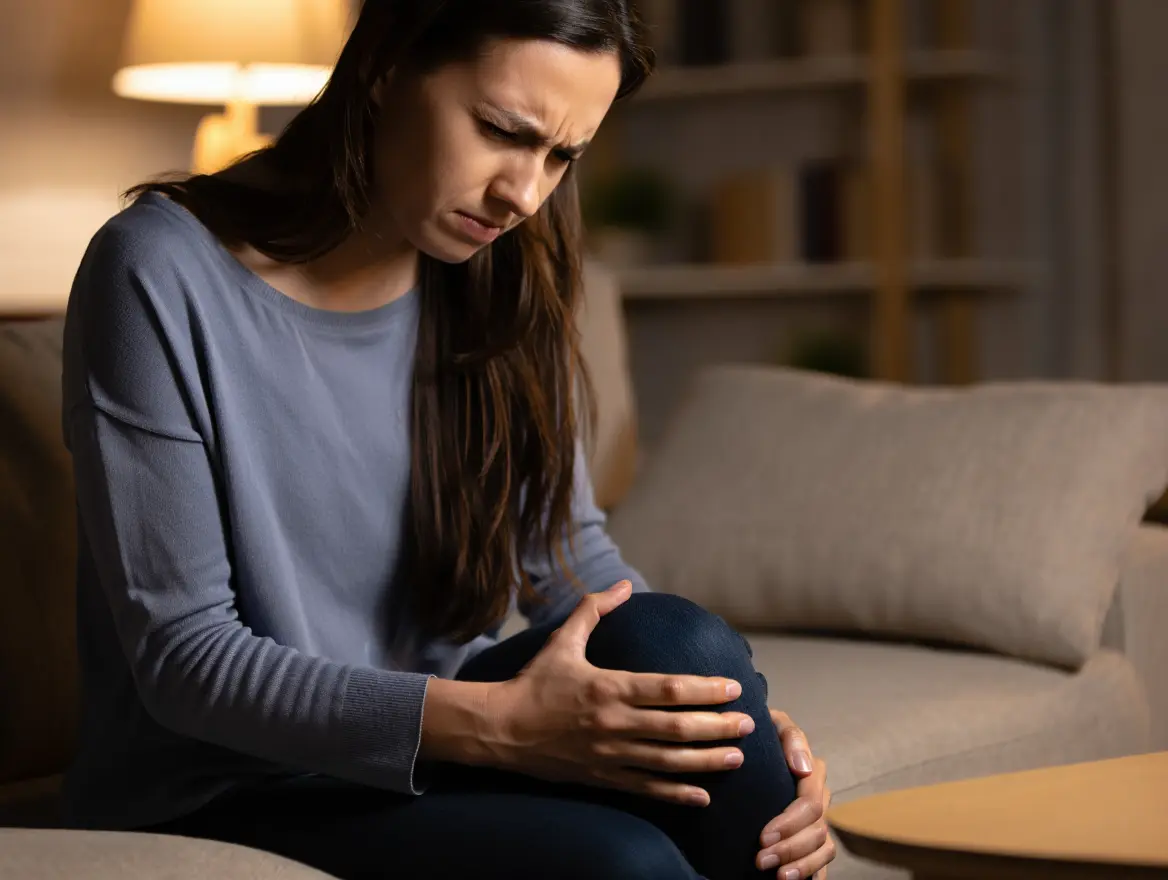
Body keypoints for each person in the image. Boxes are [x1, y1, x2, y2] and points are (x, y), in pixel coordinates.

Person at [60, 1, 834, 878]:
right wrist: (505, 726)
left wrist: (742, 719)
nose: (525, 194)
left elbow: (569, 557)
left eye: (562, 155)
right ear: (388, 68)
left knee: (685, 650)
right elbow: (186, 659)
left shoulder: (508, 267)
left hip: (446, 752)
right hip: (236, 783)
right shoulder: (157, 269)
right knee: (626, 863)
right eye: (502, 130)